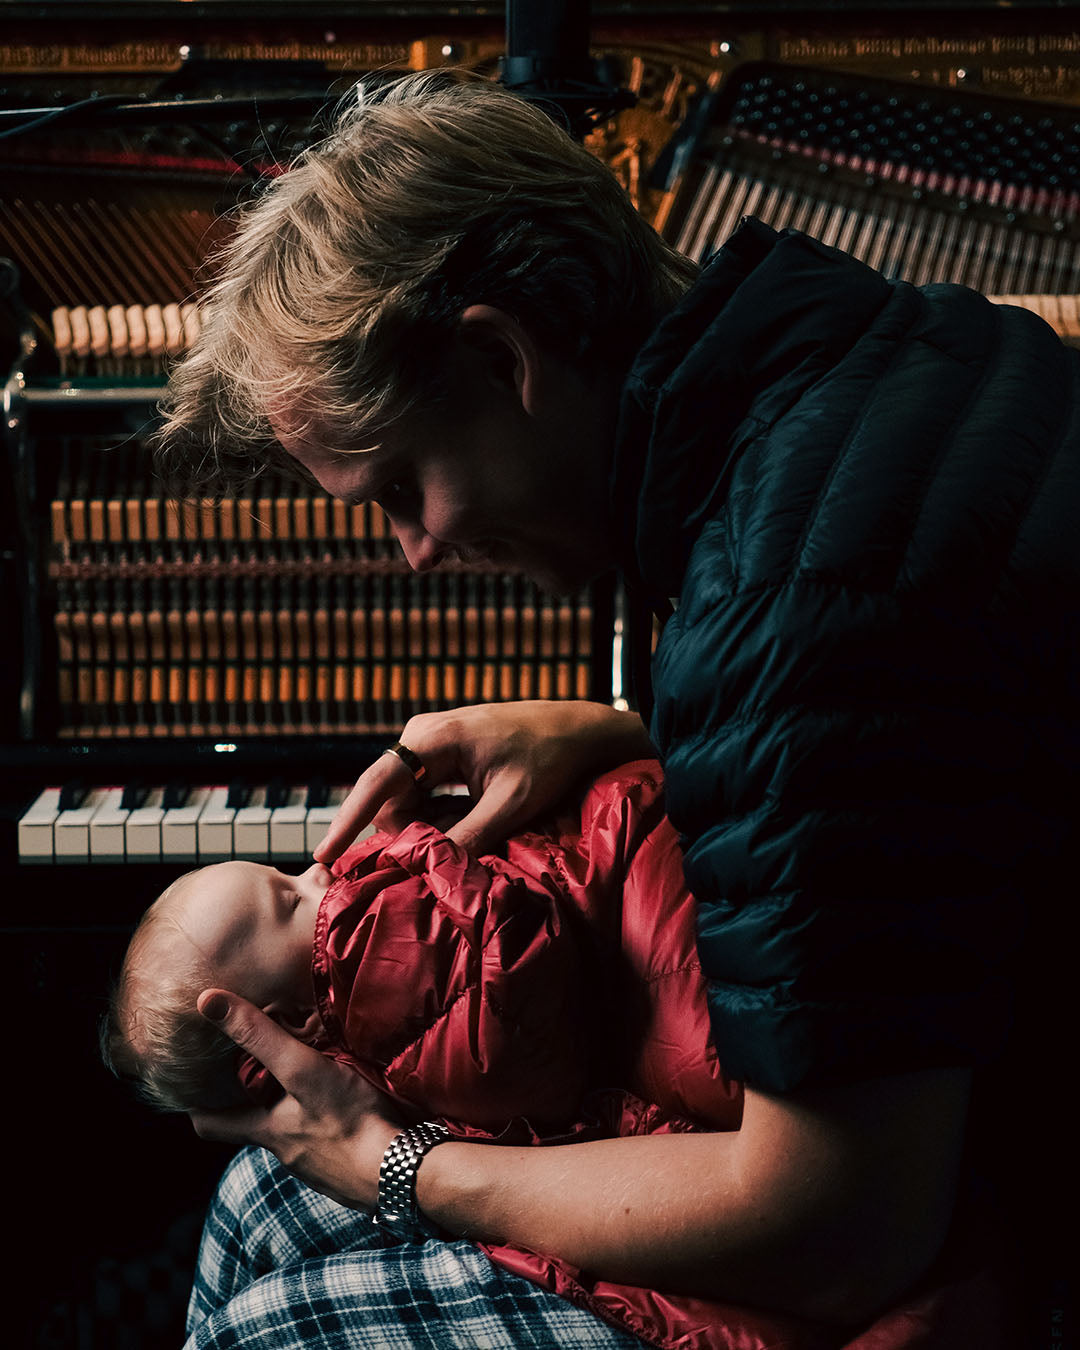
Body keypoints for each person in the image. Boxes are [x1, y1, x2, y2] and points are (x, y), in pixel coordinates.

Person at [155, 68, 1075, 1348]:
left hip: (1006, 1220)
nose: (416, 552)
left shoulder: (792, 600)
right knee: (268, 1192)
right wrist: (636, 733)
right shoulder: (869, 356)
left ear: (498, 356)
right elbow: (933, 734)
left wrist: (406, 1165)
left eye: (404, 486)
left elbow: (843, 1230)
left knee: (279, 1314)